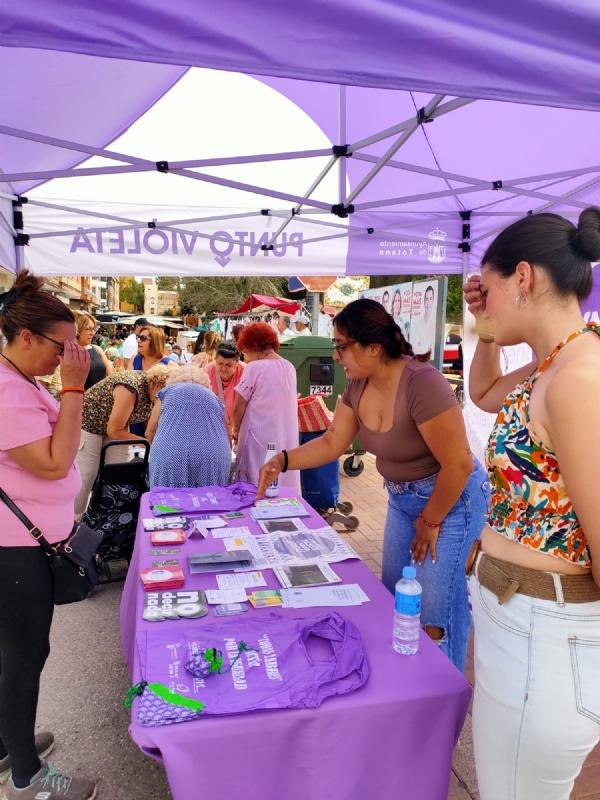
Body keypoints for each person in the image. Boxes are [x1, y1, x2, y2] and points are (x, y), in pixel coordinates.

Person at [257, 298, 488, 670]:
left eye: (341, 346)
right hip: (402, 500)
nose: (335, 357)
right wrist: (282, 460)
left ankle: (441, 697)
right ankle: (405, 685)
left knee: (433, 614)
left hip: (451, 500)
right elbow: (333, 442)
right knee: (395, 599)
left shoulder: (422, 383)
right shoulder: (357, 386)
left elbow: (459, 464)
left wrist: (430, 521)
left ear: (374, 348)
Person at [463, 208, 600, 800]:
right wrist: (482, 327)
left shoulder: (577, 377)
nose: (483, 306)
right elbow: (485, 392)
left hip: (544, 635)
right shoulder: (554, 363)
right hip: (523, 623)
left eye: (486, 292)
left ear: (523, 277)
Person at [0, 270, 96, 799]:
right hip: (13, 549)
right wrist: (76, 388)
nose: (68, 357)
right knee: (23, 653)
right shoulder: (8, 392)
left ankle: (8, 742)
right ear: (27, 337)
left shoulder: (23, 381)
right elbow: (57, 462)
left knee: (20, 651)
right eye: (62, 348)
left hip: (27, 544)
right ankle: (26, 777)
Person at [74, 365, 170, 518]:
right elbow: (114, 430)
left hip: (115, 425)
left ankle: (111, 514)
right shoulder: (130, 389)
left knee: (120, 472)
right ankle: (75, 518)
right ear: (157, 386)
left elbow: (147, 422)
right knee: (87, 474)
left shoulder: (152, 391)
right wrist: (146, 443)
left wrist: (154, 439)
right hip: (89, 424)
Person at [232, 323, 301, 493]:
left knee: (255, 483)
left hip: (258, 436)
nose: (246, 357)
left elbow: (238, 406)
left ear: (254, 346)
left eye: (246, 352)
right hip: (285, 436)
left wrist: (235, 430)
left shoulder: (254, 368)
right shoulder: (289, 367)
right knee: (283, 482)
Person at [146, 365, 231, 488]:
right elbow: (226, 434)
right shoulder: (214, 398)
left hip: (171, 452)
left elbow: (151, 430)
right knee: (209, 500)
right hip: (212, 454)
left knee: (168, 499)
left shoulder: (168, 393)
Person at [204, 342, 245, 429]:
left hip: (239, 426)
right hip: (213, 425)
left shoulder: (246, 372)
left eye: (228, 365)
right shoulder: (207, 372)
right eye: (220, 363)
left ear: (237, 361)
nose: (223, 368)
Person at [75, 313, 113, 389]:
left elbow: (111, 377)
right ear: (78, 329)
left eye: (93, 329)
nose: (92, 333)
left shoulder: (96, 349)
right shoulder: (71, 351)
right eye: (88, 329)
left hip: (102, 397)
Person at [413, 285, 436, 356]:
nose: (428, 303)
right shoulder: (419, 323)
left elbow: (433, 350)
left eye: (430, 299)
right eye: (426, 299)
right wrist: (426, 349)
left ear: (433, 301)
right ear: (423, 301)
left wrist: (421, 347)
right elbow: (414, 348)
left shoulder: (435, 324)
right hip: (419, 361)